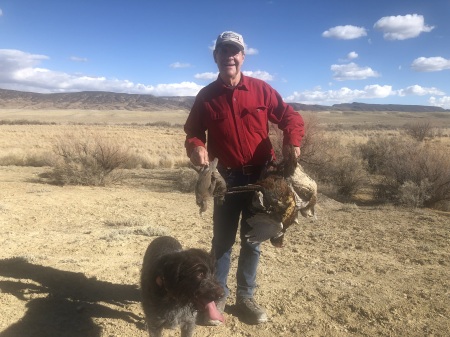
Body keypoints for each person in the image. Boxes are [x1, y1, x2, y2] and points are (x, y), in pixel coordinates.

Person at [184, 31, 305, 325]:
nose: (230, 56)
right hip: (225, 181)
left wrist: (293, 139)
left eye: (235, 51)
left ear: (242, 57)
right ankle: (218, 297)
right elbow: (193, 133)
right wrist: (197, 148)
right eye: (224, 51)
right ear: (216, 57)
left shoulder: (261, 90)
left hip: (263, 180)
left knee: (252, 240)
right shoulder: (207, 97)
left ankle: (246, 298)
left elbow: (290, 117)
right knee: (223, 241)